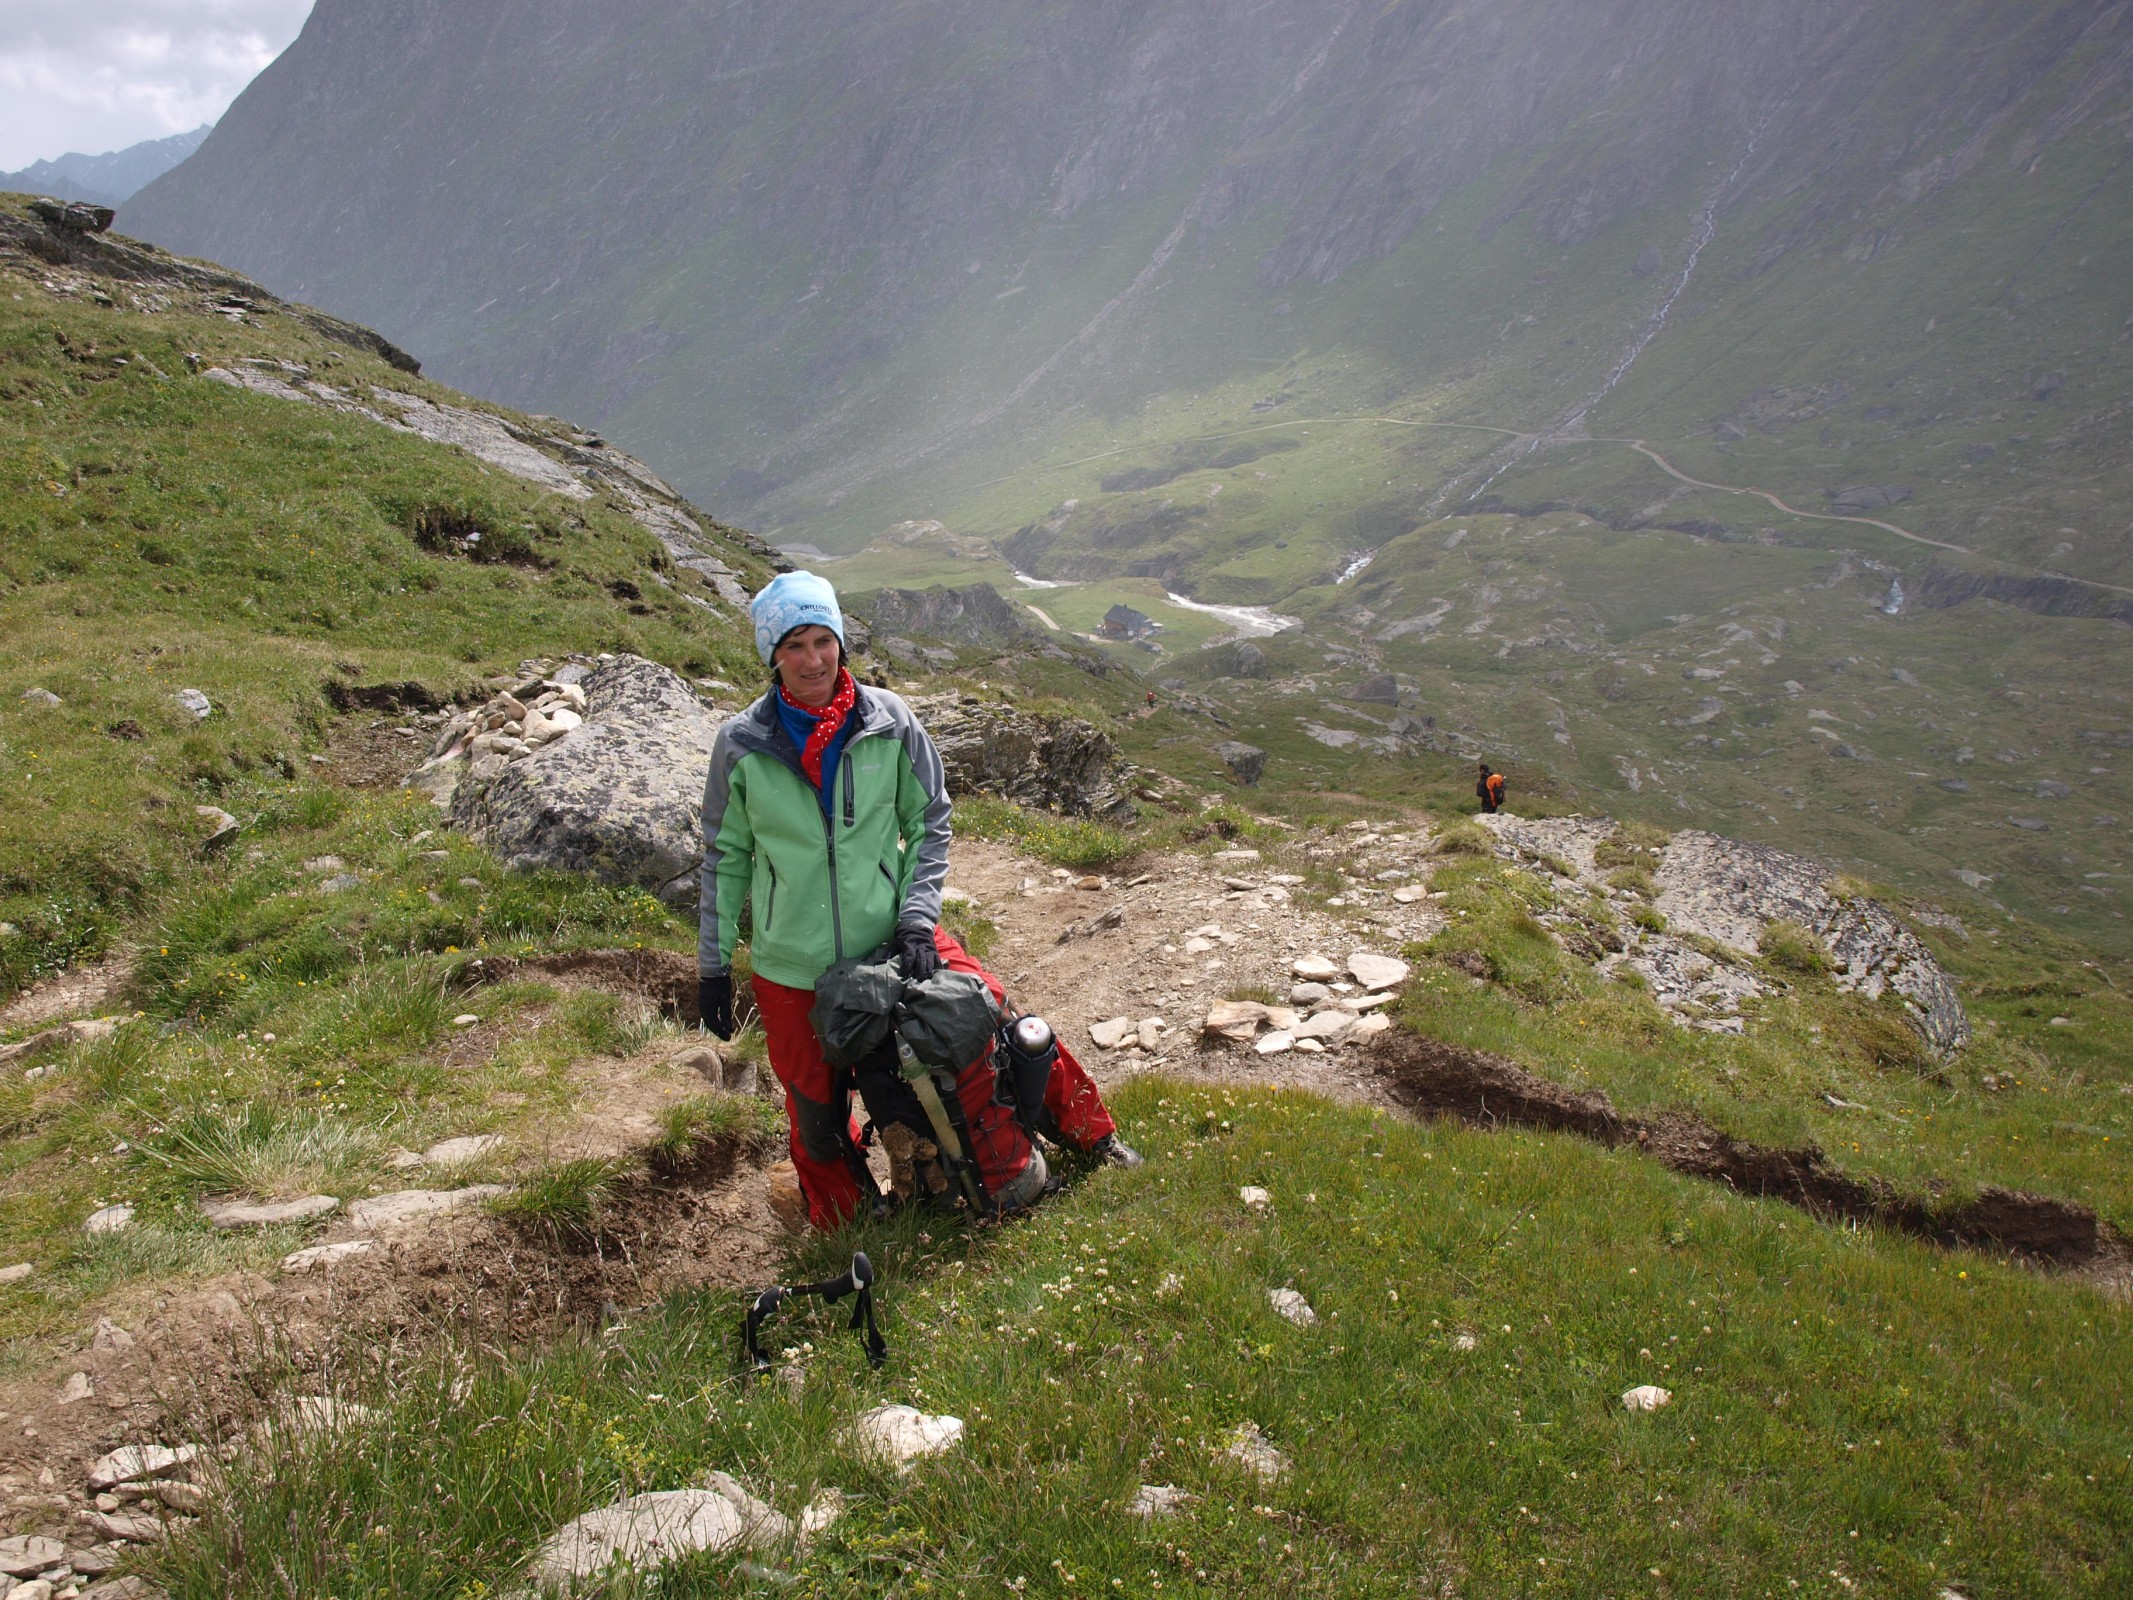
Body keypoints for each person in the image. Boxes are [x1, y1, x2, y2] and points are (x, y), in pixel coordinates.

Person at [698, 570, 1140, 1231]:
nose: (813, 660)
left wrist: (915, 919)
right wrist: (711, 967)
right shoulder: (740, 744)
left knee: (997, 1018)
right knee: (815, 1113)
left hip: (894, 935)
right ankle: (848, 1227)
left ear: (840, 642)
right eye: (794, 645)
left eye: (823, 641)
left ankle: (1093, 1136)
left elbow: (930, 819)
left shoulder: (888, 720)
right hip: (793, 964)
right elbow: (724, 857)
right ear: (773, 655)